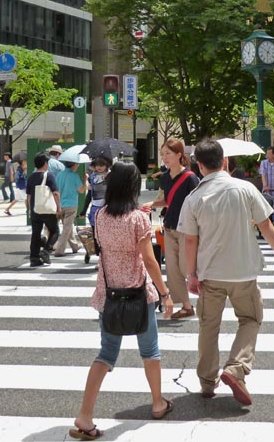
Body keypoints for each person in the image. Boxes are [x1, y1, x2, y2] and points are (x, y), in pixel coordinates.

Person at [178, 138, 274, 406]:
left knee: (208, 326)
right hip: (244, 271)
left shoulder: (194, 198)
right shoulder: (245, 189)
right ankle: (236, 368)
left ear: (199, 166)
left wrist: (191, 274)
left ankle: (207, 381)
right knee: (250, 319)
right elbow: (265, 224)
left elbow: (190, 240)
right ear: (224, 161)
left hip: (210, 273)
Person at [70, 162, 173, 440]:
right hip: (138, 292)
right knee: (150, 351)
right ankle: (157, 403)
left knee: (105, 355)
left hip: (109, 293)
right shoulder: (138, 219)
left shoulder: (101, 216)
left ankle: (85, 414)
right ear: (133, 187)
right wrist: (165, 293)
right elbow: (150, 261)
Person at [151, 138, 199, 320]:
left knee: (187, 267)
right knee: (172, 270)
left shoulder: (190, 178)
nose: (164, 157)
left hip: (187, 229)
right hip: (169, 227)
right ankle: (187, 306)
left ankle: (207, 299)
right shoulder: (165, 177)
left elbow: (197, 203)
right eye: (162, 154)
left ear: (179, 155)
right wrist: (151, 204)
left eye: (168, 154)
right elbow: (166, 201)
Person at [28, 152, 60, 267]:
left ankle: (34, 258)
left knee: (35, 233)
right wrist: (58, 208)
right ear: (45, 163)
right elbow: (55, 193)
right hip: (47, 209)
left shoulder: (31, 176)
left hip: (35, 209)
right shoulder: (49, 175)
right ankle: (46, 250)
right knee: (55, 231)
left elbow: (29, 195)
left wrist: (29, 209)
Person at [54, 159, 86, 256]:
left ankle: (74, 246)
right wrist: (85, 180)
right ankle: (60, 250)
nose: (78, 166)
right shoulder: (75, 176)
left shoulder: (59, 174)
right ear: (74, 164)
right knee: (67, 228)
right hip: (71, 204)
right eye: (77, 164)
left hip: (59, 204)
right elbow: (81, 190)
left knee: (67, 226)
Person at [87, 157, 111, 229]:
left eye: (101, 165)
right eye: (97, 165)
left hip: (107, 206)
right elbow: (89, 194)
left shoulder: (110, 175)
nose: (99, 167)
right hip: (95, 205)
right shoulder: (93, 176)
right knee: (94, 227)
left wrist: (108, 179)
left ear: (106, 165)